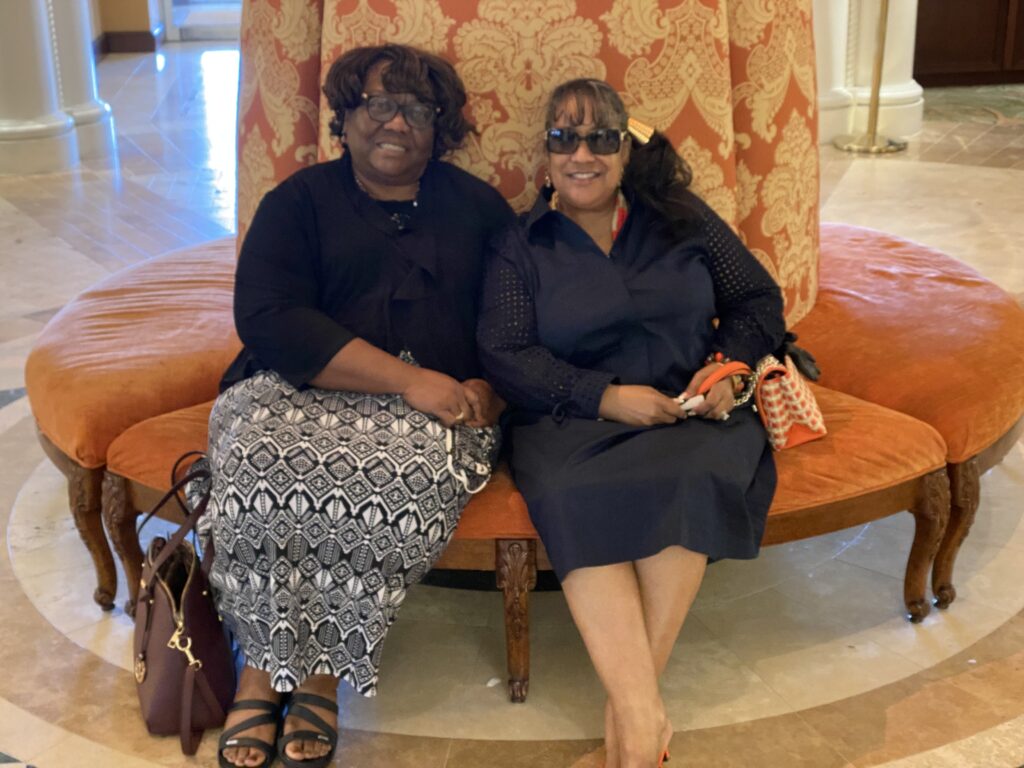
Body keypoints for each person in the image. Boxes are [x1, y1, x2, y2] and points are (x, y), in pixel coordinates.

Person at [207, 44, 513, 768]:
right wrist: (406, 379)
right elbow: (268, 318)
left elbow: (517, 316)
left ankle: (317, 675)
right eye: (379, 104)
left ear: (439, 128)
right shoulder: (297, 202)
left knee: (384, 477)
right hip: (298, 389)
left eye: (417, 110)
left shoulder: (477, 208)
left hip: (435, 414)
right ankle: (261, 670)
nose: (396, 123)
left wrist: (491, 389)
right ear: (345, 117)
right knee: (258, 459)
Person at [477, 79, 786, 768]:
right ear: (546, 153)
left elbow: (758, 301)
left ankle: (630, 728)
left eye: (600, 139)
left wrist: (726, 370)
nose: (582, 155)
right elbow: (505, 353)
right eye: (564, 138)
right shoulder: (520, 243)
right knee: (570, 492)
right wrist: (605, 397)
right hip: (569, 424)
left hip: (690, 417)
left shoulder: (681, 218)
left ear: (625, 149)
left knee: (692, 474)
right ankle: (645, 728)